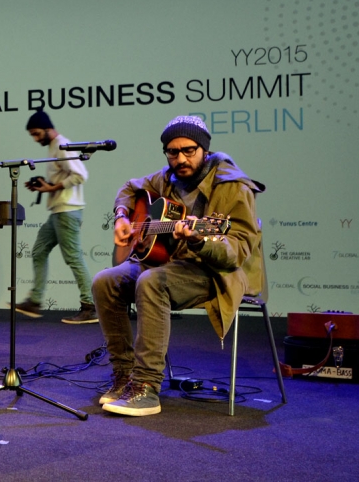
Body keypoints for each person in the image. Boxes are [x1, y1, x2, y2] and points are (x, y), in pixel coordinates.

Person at [93, 115, 263, 416]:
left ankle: (146, 387)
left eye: (189, 151)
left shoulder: (234, 186)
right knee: (105, 281)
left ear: (204, 150)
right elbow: (129, 188)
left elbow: (237, 251)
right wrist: (122, 216)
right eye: (173, 152)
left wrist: (199, 241)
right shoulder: (166, 177)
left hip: (213, 272)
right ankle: (124, 376)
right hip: (169, 264)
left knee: (152, 282)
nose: (181, 159)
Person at [15, 109, 95, 324]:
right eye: (32, 135)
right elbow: (63, 176)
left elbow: (81, 175)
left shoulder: (61, 145)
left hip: (67, 211)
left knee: (74, 258)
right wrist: (44, 185)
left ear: (48, 129)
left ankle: (90, 306)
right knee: (39, 251)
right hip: (58, 211)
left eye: (36, 133)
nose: (35, 138)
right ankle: (34, 301)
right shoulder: (53, 146)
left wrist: (52, 188)